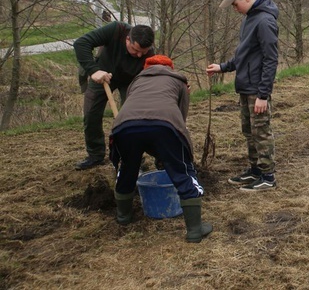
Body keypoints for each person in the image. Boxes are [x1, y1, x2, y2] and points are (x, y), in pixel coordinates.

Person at [108, 55, 212, 243]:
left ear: (146, 68)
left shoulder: (136, 81)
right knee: (182, 172)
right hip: (165, 125)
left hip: (124, 126)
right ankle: (195, 230)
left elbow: (135, 109)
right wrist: (168, 153)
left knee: (128, 169)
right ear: (171, 68)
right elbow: (180, 118)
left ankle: (123, 216)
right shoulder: (179, 81)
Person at [207, 0, 279, 191]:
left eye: (235, 4)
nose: (234, 9)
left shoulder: (265, 21)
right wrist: (223, 67)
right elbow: (244, 54)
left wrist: (263, 95)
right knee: (249, 131)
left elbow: (270, 59)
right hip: (245, 86)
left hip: (257, 89)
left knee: (261, 132)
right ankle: (255, 170)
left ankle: (268, 176)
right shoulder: (249, 18)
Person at [73, 22, 155, 170]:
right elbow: (81, 43)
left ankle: (132, 154)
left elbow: (153, 76)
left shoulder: (150, 53)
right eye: (135, 50)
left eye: (143, 52)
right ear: (127, 39)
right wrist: (93, 70)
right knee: (91, 114)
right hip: (102, 74)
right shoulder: (116, 30)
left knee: (132, 118)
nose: (139, 55)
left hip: (131, 80)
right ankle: (95, 155)